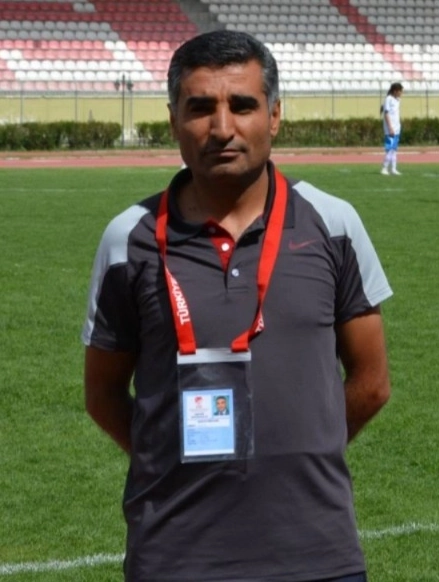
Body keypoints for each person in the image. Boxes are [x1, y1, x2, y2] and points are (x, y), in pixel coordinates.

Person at [81, 30, 392, 582]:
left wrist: (302, 449)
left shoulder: (334, 224)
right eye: (200, 108)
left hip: (317, 556)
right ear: (174, 121)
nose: (222, 128)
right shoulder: (128, 239)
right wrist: (172, 454)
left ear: (274, 116)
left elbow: (372, 383)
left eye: (242, 105)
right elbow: (102, 394)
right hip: (174, 558)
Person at [380, 82, 403, 176]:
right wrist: (390, 127)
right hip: (390, 128)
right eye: (400, 91)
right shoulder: (388, 99)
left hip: (397, 127)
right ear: (395, 91)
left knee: (394, 149)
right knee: (389, 149)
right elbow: (386, 113)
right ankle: (384, 168)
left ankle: (393, 168)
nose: (401, 93)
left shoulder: (397, 100)